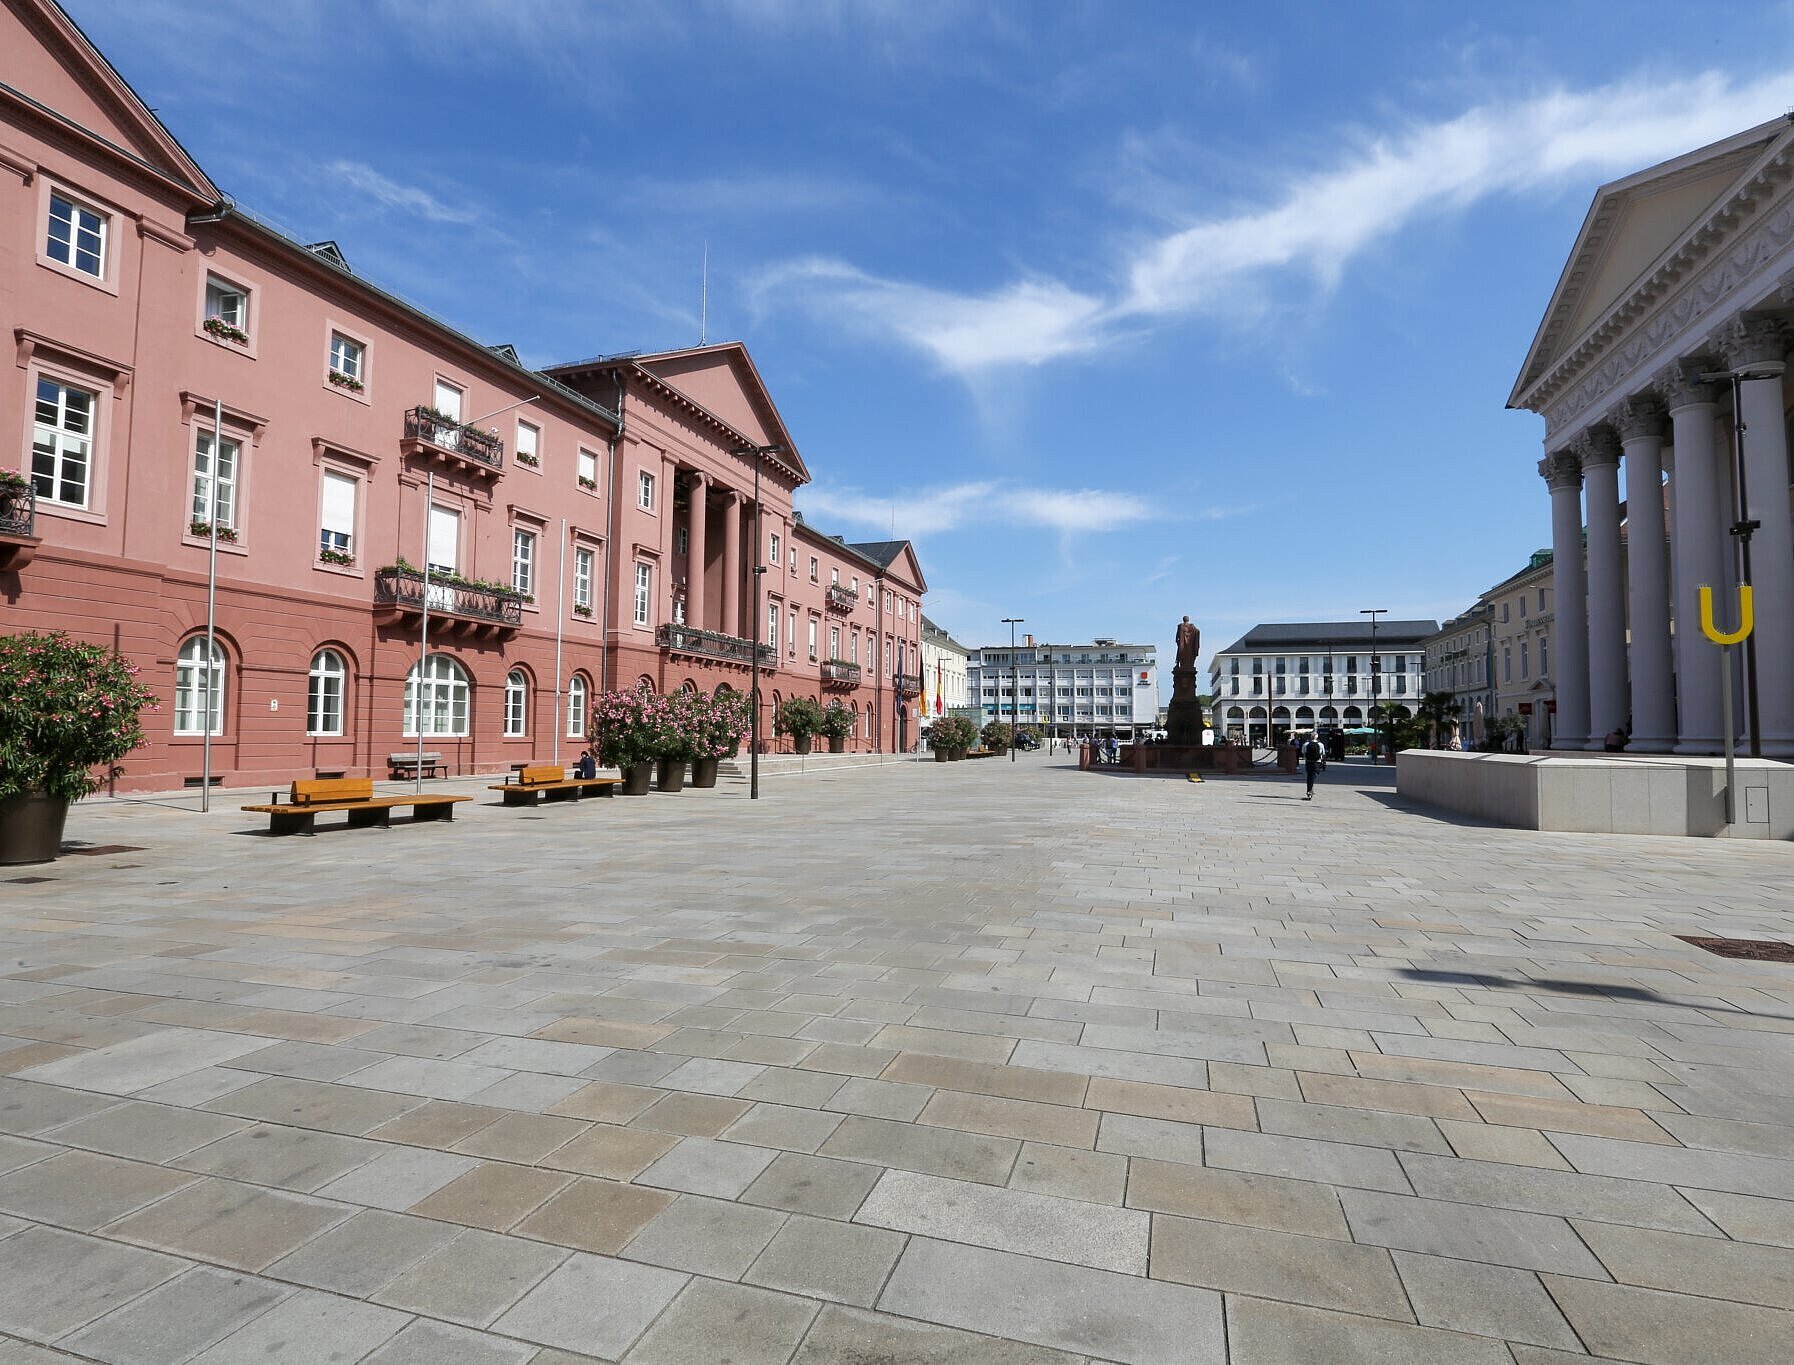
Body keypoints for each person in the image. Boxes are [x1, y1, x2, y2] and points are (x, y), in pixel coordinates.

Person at [1302, 732, 1324, 799]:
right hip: (1317, 762)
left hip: (1308, 762)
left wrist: (1306, 758)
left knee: (1309, 776)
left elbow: (1303, 753)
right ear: (1317, 737)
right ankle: (1310, 790)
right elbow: (1323, 753)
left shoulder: (1306, 744)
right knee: (1314, 775)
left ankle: (1309, 790)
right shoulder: (1320, 744)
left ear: (1310, 737)